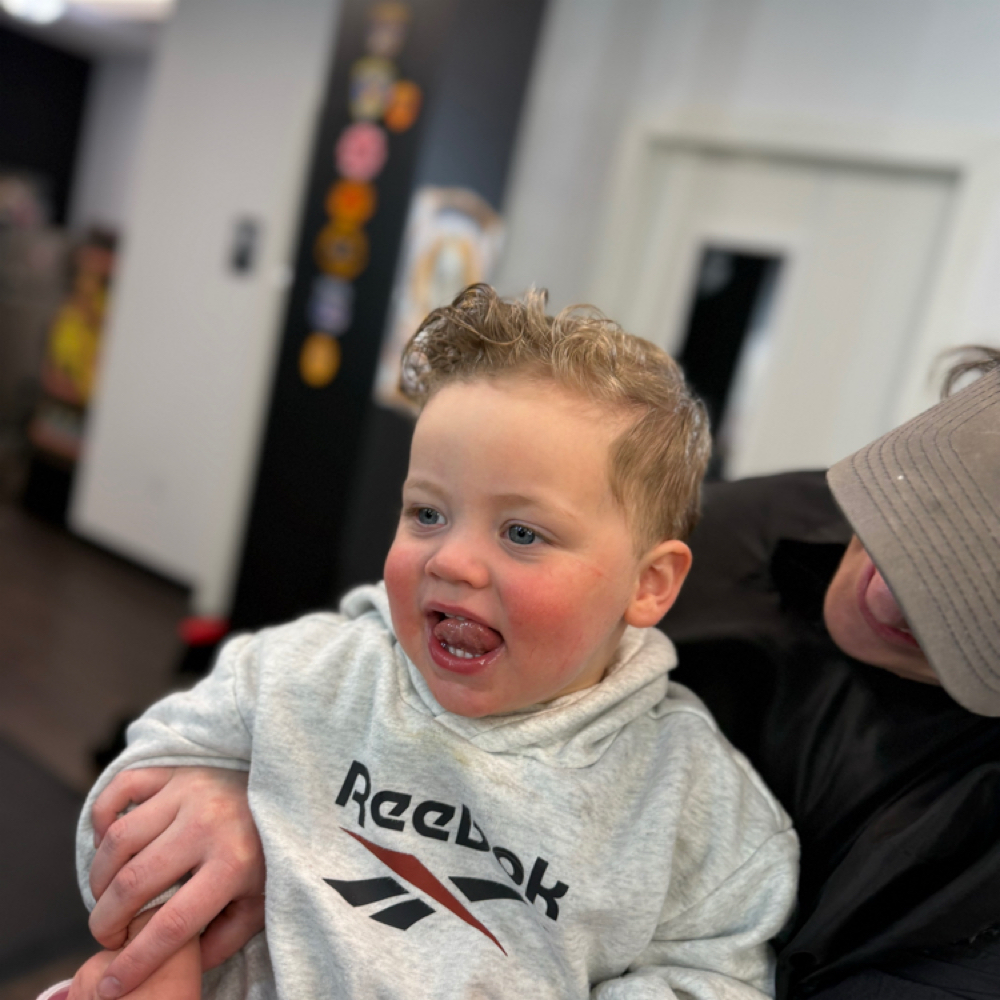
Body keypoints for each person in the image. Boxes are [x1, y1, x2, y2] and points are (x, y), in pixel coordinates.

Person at [57, 284, 798, 1000]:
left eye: (521, 532)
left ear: (650, 585)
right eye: (427, 514)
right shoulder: (304, 674)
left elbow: (715, 976)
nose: (450, 561)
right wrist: (160, 940)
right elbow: (127, 804)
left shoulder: (686, 797)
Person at [663, 347, 1000, 998]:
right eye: (933, 515)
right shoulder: (721, 527)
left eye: (970, 602)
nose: (883, 596)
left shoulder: (966, 889)